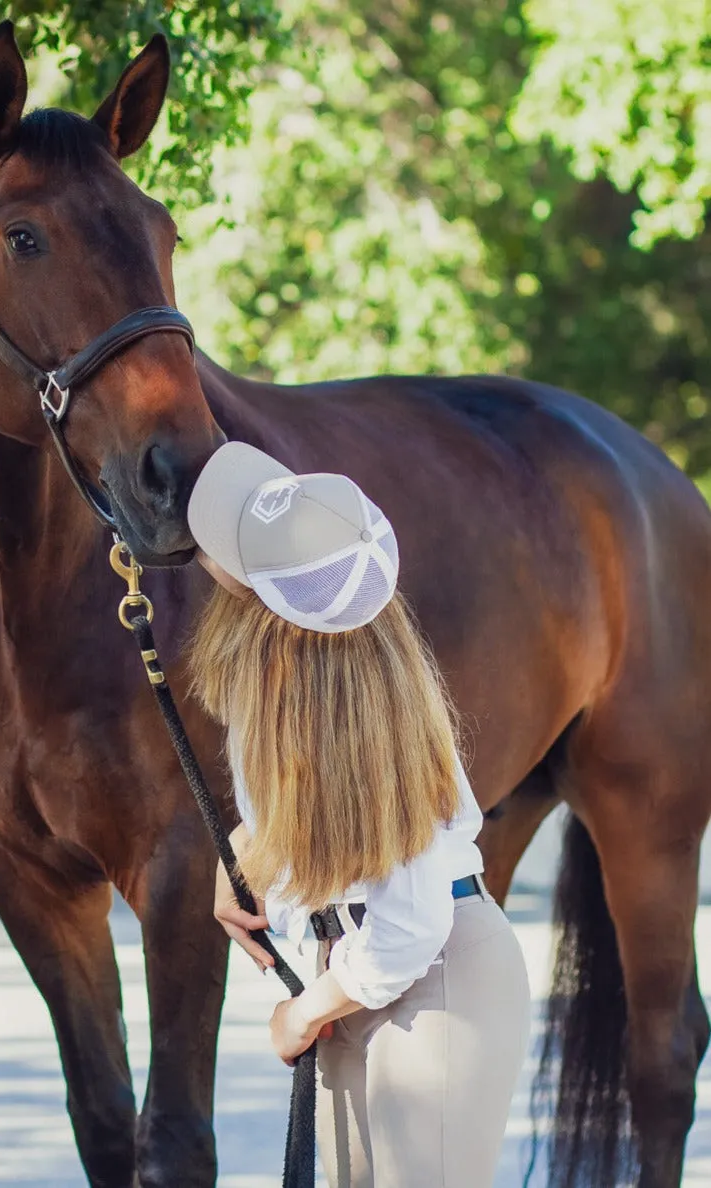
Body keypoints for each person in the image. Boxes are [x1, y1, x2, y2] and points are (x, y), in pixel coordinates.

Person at [187, 441, 532, 1188]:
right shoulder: (290, 701)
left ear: (260, 602)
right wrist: (245, 850)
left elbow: (410, 923)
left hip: (431, 972)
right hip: (359, 970)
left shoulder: (361, 727)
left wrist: (305, 1013)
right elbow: (329, 822)